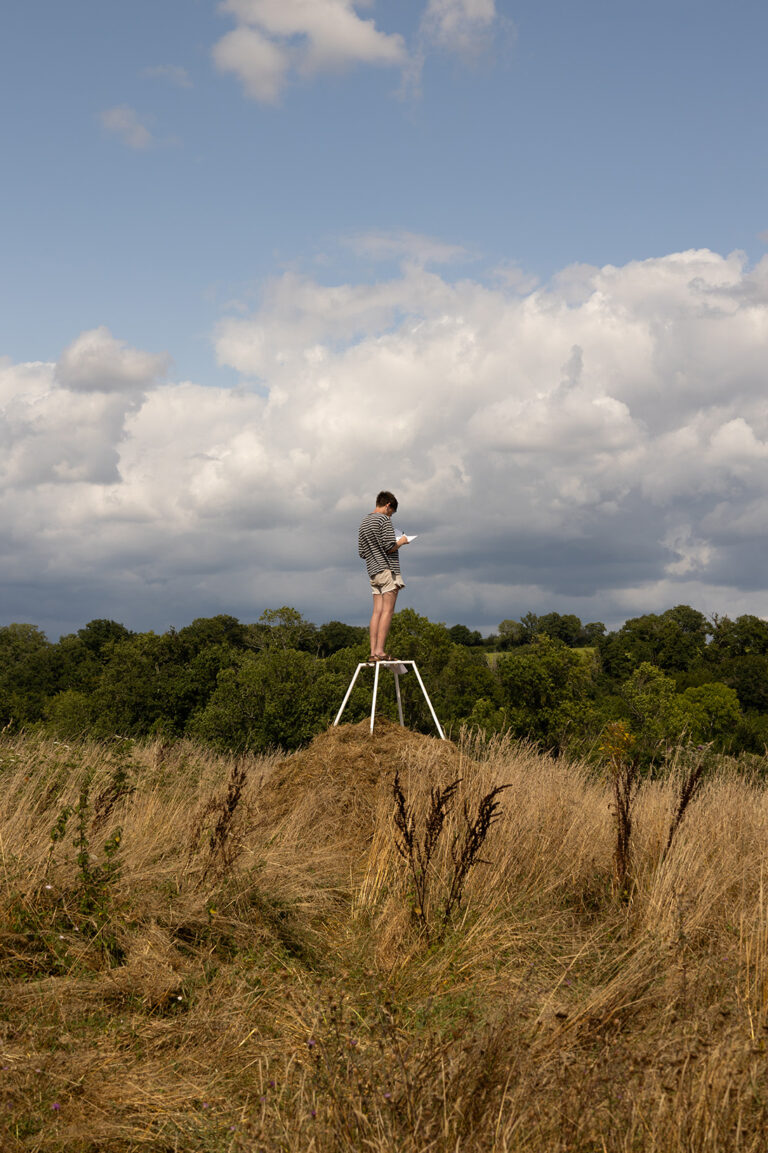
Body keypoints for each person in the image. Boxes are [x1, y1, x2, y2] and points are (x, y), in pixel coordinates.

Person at [358, 490, 409, 661]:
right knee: (388, 611)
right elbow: (389, 547)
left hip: (372, 571)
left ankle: (373, 652)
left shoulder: (364, 522)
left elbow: (362, 553)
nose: (390, 515)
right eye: (391, 512)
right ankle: (380, 650)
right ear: (388, 505)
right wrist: (401, 541)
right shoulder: (383, 520)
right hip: (387, 569)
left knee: (376, 612)